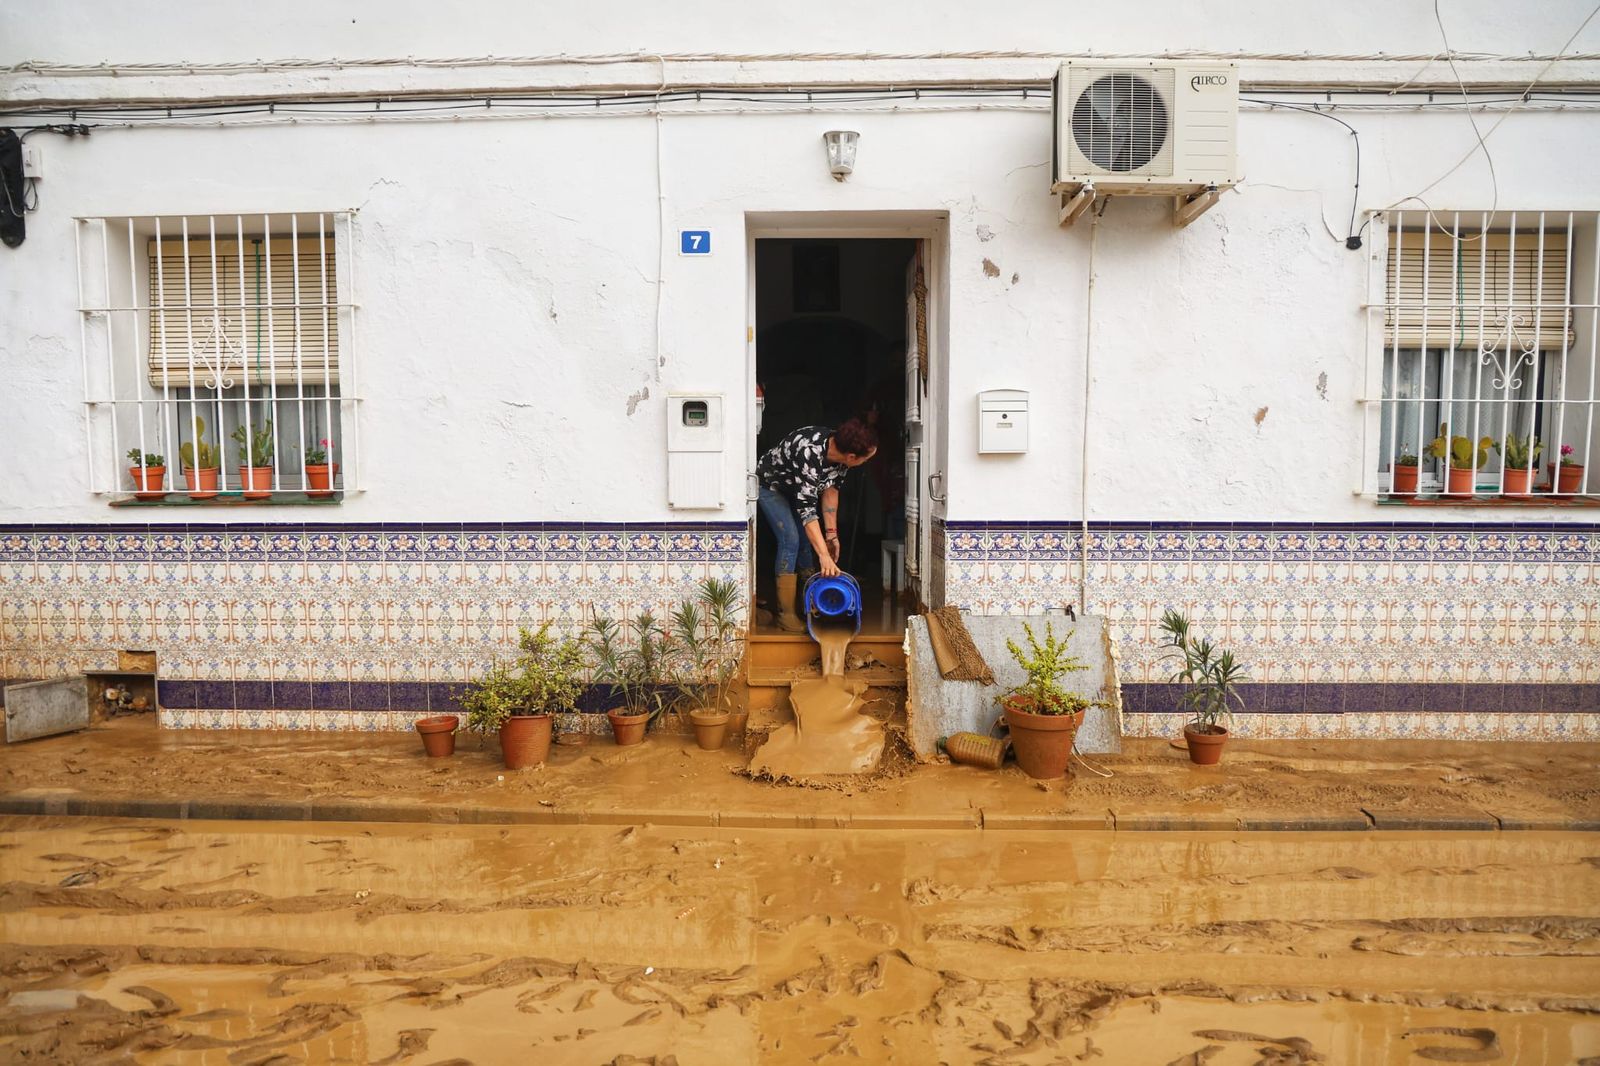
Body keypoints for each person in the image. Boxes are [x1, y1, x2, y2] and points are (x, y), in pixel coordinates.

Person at [757, 417, 878, 632]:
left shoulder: (842, 456)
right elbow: (807, 512)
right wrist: (823, 555)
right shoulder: (809, 451)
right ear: (852, 457)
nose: (865, 463)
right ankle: (786, 615)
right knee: (791, 539)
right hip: (772, 487)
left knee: (806, 542)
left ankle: (808, 605)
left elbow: (830, 493)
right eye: (865, 460)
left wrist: (832, 535)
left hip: (795, 492)